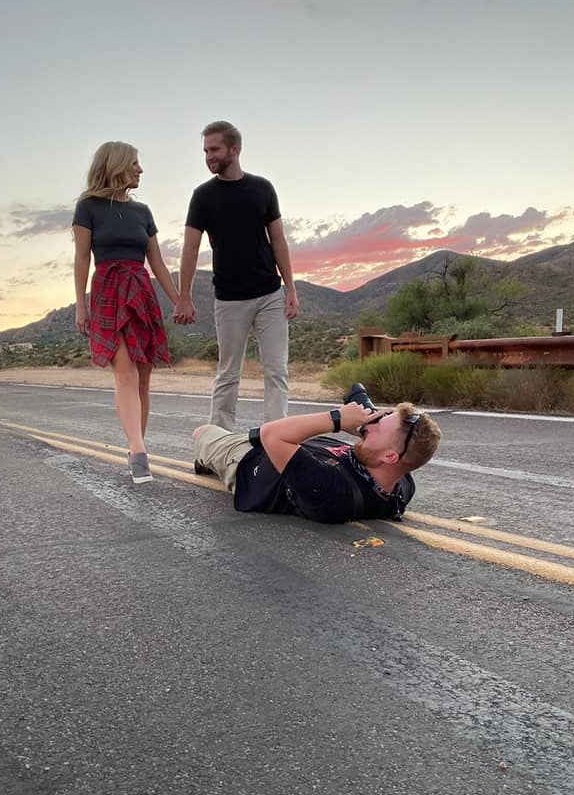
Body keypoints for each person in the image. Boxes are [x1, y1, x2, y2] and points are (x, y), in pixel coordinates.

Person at [174, 120, 300, 431]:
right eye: (205, 151)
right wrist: (184, 297)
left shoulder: (263, 188)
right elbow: (190, 249)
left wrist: (291, 288)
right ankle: (219, 439)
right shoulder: (202, 196)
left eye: (214, 149)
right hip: (229, 299)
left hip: (269, 294)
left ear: (235, 149)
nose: (209, 156)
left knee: (276, 370)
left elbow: (278, 240)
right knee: (228, 373)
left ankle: (276, 437)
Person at [72, 141, 180, 484]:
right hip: (107, 291)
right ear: (117, 165)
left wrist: (179, 300)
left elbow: (157, 263)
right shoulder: (88, 207)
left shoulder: (143, 211)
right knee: (125, 372)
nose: (140, 170)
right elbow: (81, 259)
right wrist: (80, 305)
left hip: (140, 291)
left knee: (143, 379)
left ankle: (137, 448)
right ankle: (138, 453)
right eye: (134, 163)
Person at [192, 387, 442, 524]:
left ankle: (210, 463)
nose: (370, 425)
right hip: (294, 445)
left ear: (390, 457)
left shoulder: (332, 492)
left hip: (250, 462)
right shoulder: (402, 482)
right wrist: (371, 419)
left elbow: (271, 435)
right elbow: (356, 390)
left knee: (202, 432)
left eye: (378, 426)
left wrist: (338, 419)